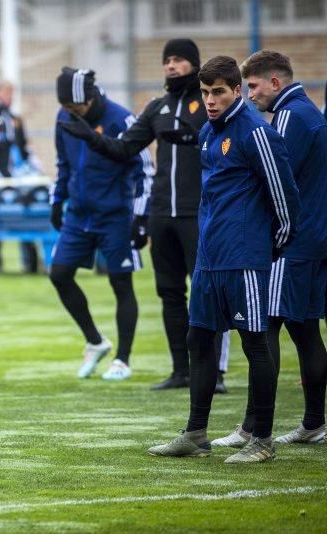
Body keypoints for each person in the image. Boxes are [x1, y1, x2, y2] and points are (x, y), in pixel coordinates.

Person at [148, 56, 299, 463]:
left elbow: (284, 196)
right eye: (205, 92)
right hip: (209, 257)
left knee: (255, 343)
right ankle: (195, 433)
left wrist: (272, 246)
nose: (210, 100)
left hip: (245, 257)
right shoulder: (209, 134)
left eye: (218, 92)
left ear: (236, 91)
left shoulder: (256, 132)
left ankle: (262, 441)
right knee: (199, 339)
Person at [59, 38, 230, 393]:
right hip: (161, 215)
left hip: (201, 212)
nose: (171, 65)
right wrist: (91, 137)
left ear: (194, 64)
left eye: (179, 59)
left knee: (207, 292)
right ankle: (181, 370)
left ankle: (216, 373)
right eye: (167, 59)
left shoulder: (211, 104)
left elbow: (231, 146)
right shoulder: (157, 106)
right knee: (169, 293)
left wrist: (194, 138)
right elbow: (124, 149)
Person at [209, 51, 327, 448]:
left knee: (263, 330)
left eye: (254, 86)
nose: (251, 94)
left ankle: (253, 429)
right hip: (313, 239)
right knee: (305, 329)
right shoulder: (310, 111)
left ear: (275, 83)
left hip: (291, 243)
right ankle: (313, 423)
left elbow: (276, 178)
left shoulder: (291, 116)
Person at [50, 67, 154, 381]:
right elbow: (63, 162)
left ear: (91, 98)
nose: (70, 113)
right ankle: (95, 342)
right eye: (66, 107)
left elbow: (145, 171)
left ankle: (122, 359)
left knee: (120, 282)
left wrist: (140, 215)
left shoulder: (121, 119)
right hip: (79, 214)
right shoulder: (63, 117)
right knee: (59, 274)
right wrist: (58, 199)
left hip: (115, 216)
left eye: (75, 107)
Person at [0, 81, 41, 274]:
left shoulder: (15, 119)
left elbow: (23, 146)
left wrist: (30, 163)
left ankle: (29, 258)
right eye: (8, 92)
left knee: (23, 213)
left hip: (16, 176)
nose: (11, 97)